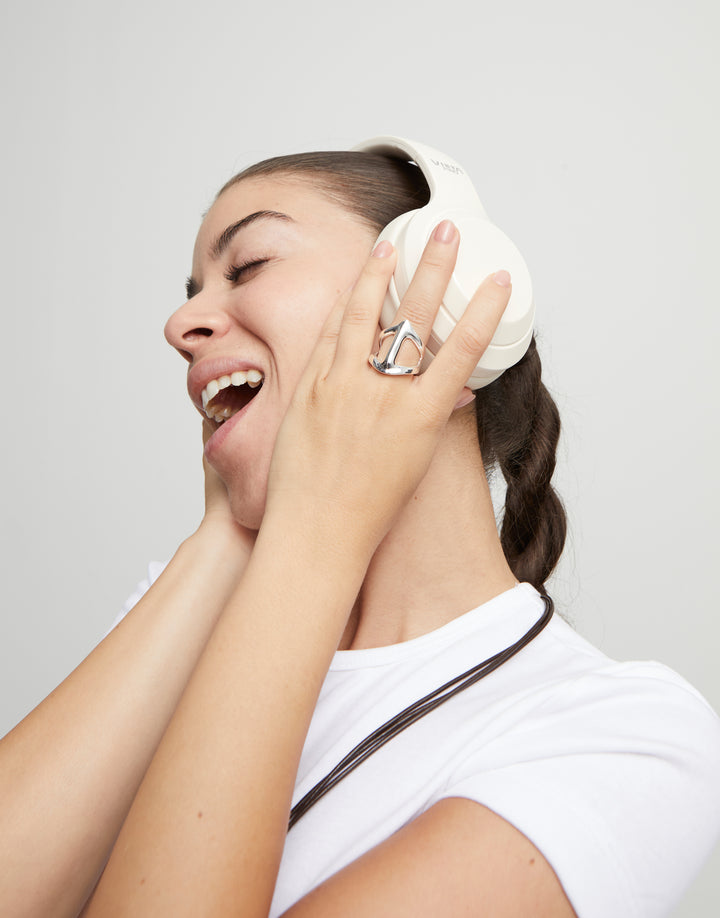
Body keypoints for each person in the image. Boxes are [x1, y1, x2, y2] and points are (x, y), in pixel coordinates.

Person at [1, 145, 719, 918]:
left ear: (440, 301)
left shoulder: (624, 736)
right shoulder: (185, 615)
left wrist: (316, 531)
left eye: (248, 266)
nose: (180, 325)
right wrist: (222, 544)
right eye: (193, 292)